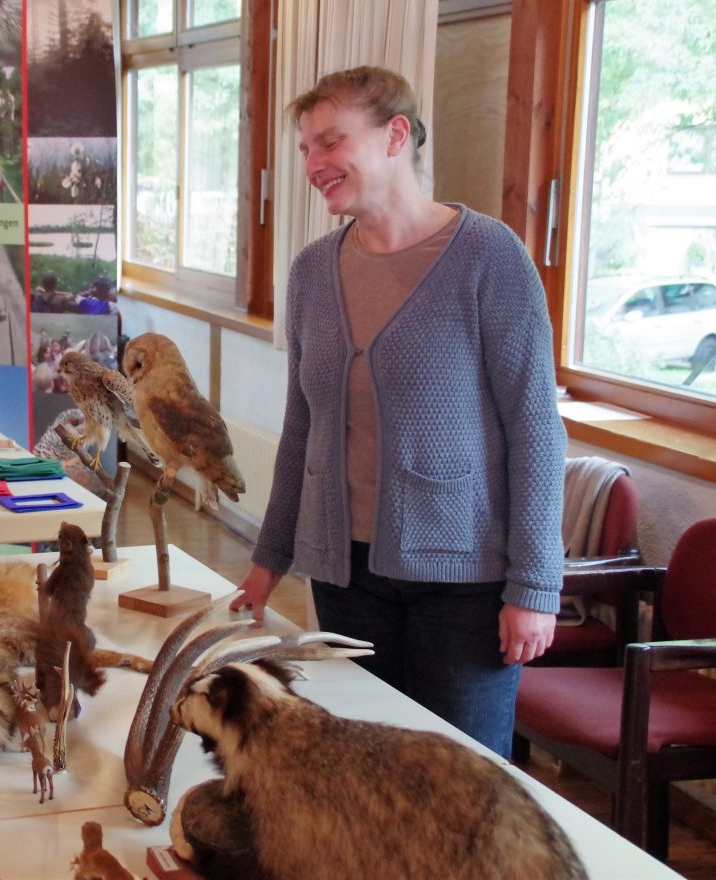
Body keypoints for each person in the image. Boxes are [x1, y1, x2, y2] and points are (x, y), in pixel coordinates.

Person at [231, 66, 565, 758]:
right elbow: (303, 429)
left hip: (464, 583)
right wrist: (268, 561)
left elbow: (536, 430)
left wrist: (536, 585)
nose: (315, 165)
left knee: (462, 785)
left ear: (396, 136)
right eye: (305, 151)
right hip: (345, 577)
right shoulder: (313, 272)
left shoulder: (488, 258)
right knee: (364, 767)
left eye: (330, 142)